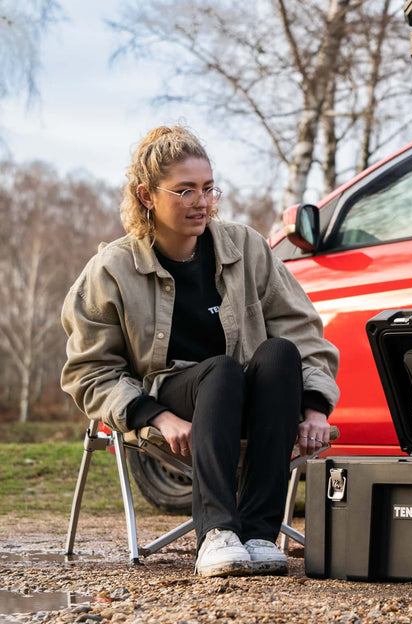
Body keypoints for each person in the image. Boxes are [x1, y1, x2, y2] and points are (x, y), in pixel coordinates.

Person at [61, 126, 340, 578]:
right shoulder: (111, 269)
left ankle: (258, 534)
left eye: (209, 188)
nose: (202, 202)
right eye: (185, 190)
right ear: (146, 195)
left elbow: (303, 329)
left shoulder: (245, 246)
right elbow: (90, 370)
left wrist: (314, 409)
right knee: (222, 372)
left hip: (243, 397)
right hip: (171, 395)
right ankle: (217, 534)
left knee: (280, 353)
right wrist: (155, 416)